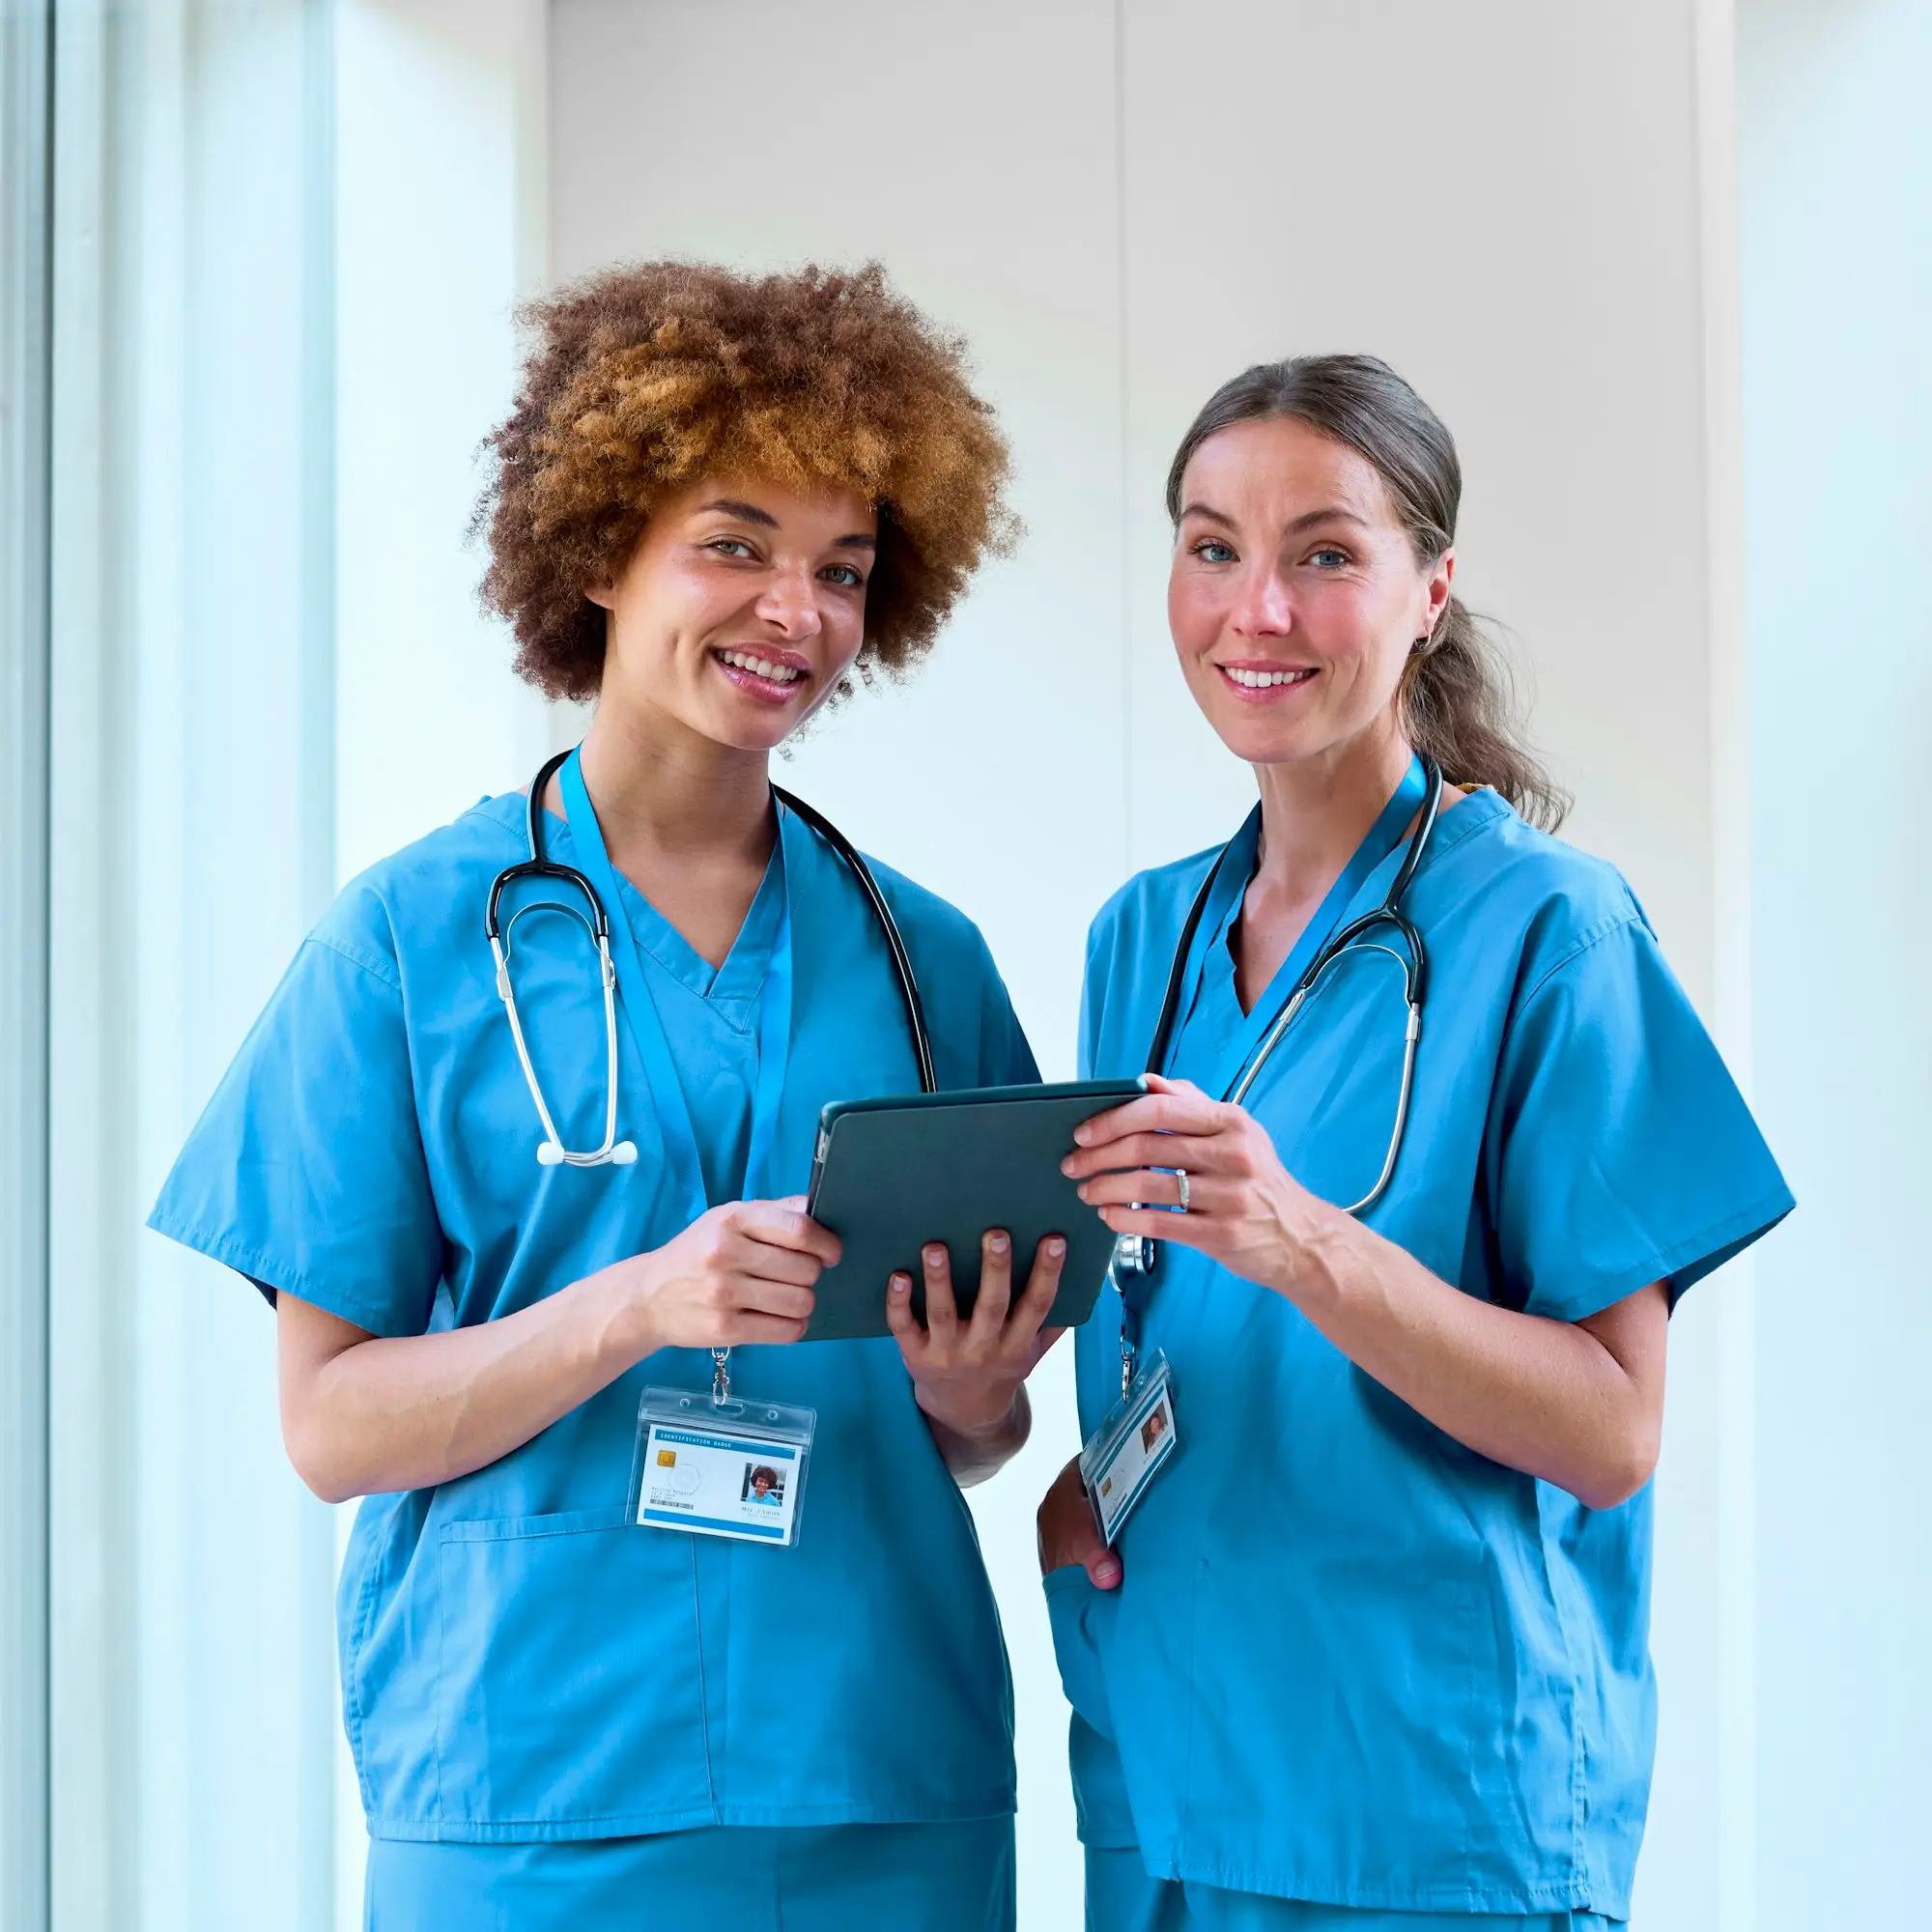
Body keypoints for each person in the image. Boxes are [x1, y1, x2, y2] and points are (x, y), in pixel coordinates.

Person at [150, 261, 1064, 1932]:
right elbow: (329, 1424)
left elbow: (973, 1435)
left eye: (841, 570)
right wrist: (635, 1305)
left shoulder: (925, 962)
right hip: (530, 1793)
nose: (793, 612)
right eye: (734, 544)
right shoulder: (409, 943)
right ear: (595, 549)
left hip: (877, 1782)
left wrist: (979, 1396)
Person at [1037, 354, 1792, 1932]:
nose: (1259, 610)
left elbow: (1611, 1431)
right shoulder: (1144, 940)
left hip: (1430, 1805)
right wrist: (1087, 1485)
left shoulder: (1550, 933)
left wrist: (1299, 1238)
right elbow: (1156, 1326)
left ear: (1430, 590)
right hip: (1168, 1776)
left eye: (1325, 553)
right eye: (1211, 546)